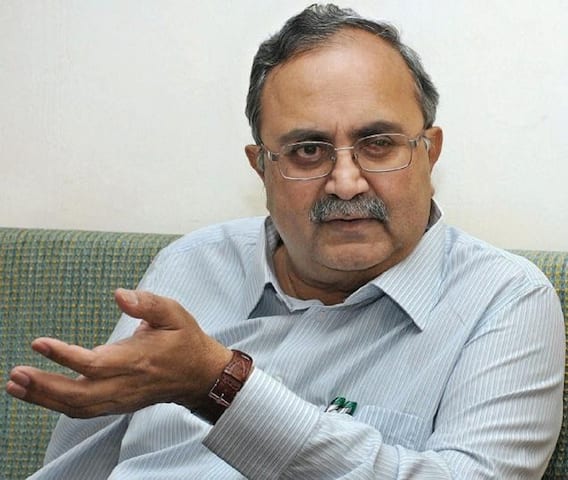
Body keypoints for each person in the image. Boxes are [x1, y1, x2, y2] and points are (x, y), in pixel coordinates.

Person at [6, 4, 564, 479]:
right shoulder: (192, 265)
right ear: (262, 167)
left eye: (378, 143)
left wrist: (220, 385)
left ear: (429, 152)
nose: (346, 182)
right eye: (308, 151)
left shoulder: (503, 299)